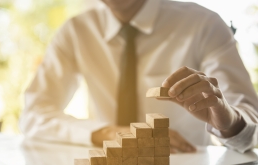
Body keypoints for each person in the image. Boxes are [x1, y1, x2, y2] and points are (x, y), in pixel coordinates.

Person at [20, 0, 258, 153]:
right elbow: (33, 116)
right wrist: (108, 132)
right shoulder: (76, 31)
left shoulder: (204, 24)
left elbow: (250, 131)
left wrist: (225, 117)